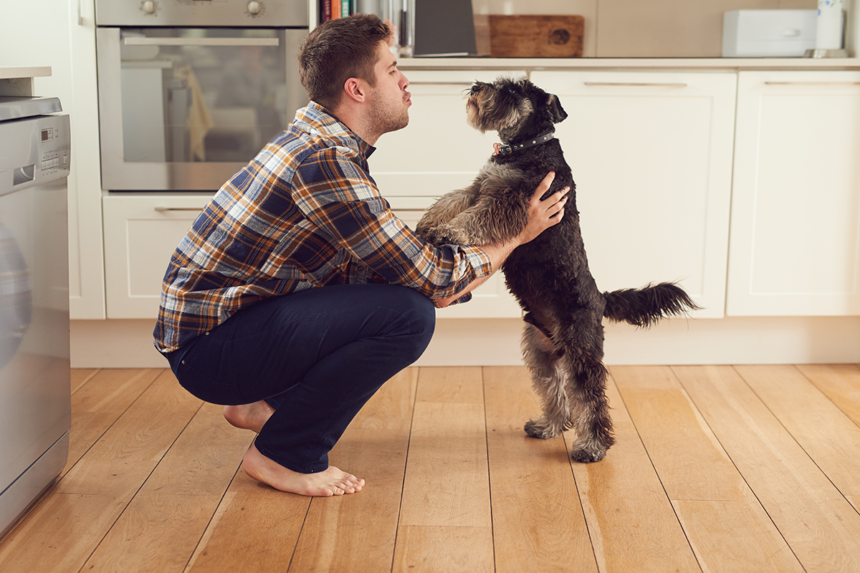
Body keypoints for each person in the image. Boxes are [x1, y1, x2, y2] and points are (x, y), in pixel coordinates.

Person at [153, 14, 568, 498]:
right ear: (357, 89)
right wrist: (516, 234)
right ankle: (284, 453)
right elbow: (433, 281)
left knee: (400, 293)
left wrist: (437, 278)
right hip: (209, 353)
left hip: (224, 331)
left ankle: (264, 405)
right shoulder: (325, 162)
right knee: (409, 316)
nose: (405, 79)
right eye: (392, 69)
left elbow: (389, 263)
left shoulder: (327, 144)